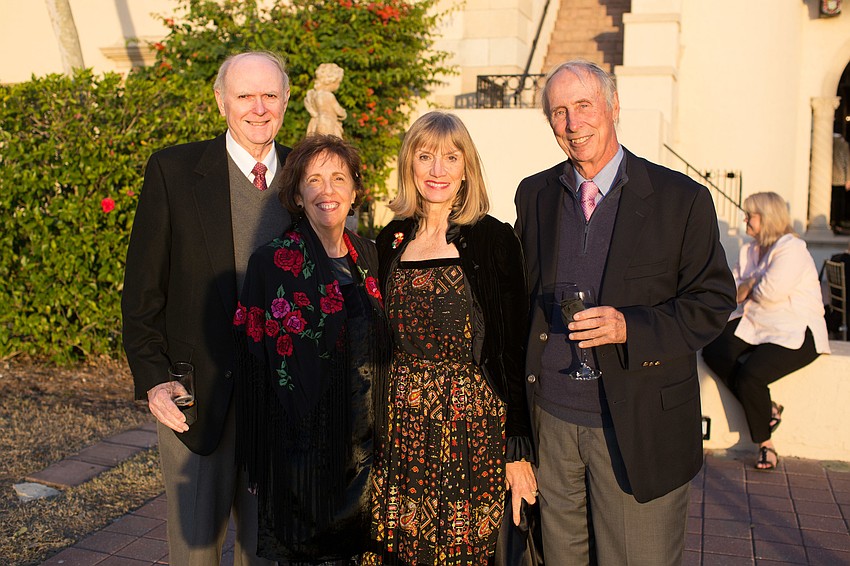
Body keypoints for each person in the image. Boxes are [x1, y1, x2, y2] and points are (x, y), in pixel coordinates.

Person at [514, 60, 736, 565]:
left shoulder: (682, 200)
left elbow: (713, 302)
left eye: (585, 106)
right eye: (559, 112)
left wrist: (627, 327)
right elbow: (522, 301)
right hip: (552, 422)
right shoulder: (535, 195)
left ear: (614, 107)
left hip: (636, 427)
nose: (573, 123)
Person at [122, 51, 291, 565]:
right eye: (245, 96)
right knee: (194, 555)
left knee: (268, 553)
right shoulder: (174, 171)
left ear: (285, 100)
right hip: (194, 401)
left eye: (270, 95)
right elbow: (142, 291)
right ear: (221, 102)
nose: (258, 108)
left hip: (282, 413)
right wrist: (153, 377)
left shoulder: (309, 178)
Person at [364, 111, 537, 565]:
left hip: (471, 428)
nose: (437, 170)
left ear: (467, 167)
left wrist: (518, 448)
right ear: (410, 165)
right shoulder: (390, 239)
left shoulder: (493, 239)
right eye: (425, 157)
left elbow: (512, 348)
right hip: (399, 425)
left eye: (450, 157)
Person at [233, 134, 390, 563]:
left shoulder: (370, 256)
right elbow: (252, 360)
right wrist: (257, 452)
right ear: (298, 195)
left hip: (366, 453)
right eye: (314, 180)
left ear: (355, 191)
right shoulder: (272, 262)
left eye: (338, 178)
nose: (327, 190)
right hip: (301, 458)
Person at [702, 192, 830, 471]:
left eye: (751, 215)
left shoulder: (792, 248)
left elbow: (771, 293)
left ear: (768, 218)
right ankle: (768, 409)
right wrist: (750, 286)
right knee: (713, 351)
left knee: (751, 377)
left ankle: (766, 445)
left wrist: (749, 286)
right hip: (758, 322)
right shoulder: (751, 249)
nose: (745, 219)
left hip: (797, 330)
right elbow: (731, 290)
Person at [305, 63, 347, 139]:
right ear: (331, 81)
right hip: (327, 124)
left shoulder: (314, 94)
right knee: (330, 146)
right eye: (338, 82)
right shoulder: (328, 95)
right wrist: (343, 113)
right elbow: (338, 110)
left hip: (316, 123)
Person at [831, 129, 850, 233]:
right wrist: (848, 179)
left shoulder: (829, 142)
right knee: (839, 202)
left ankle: (832, 221)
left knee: (832, 201)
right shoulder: (844, 144)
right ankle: (837, 223)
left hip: (828, 178)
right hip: (841, 178)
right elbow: (847, 162)